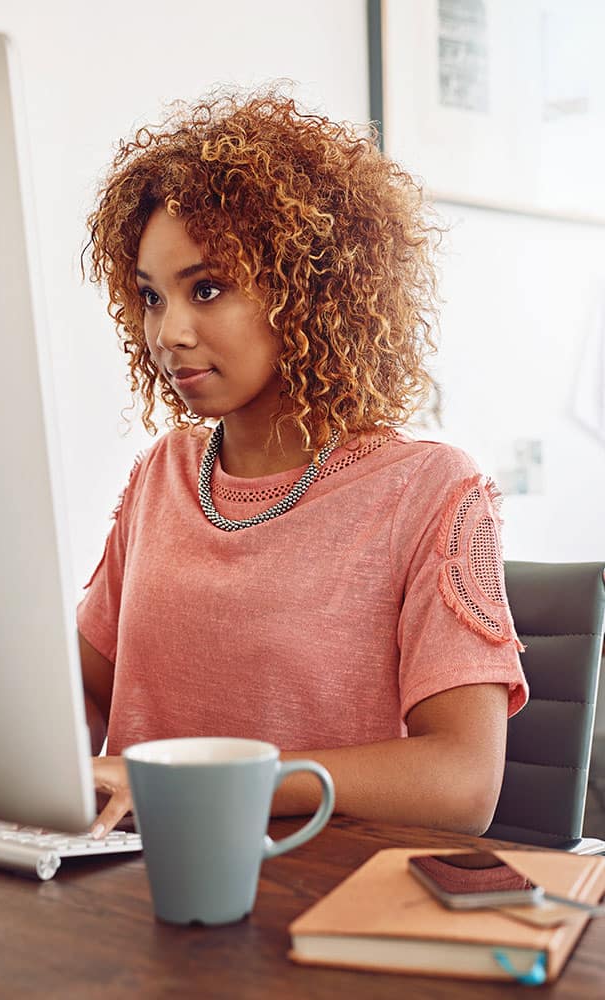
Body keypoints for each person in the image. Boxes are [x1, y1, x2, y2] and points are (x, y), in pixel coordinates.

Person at [77, 89, 528, 840]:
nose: (170, 332)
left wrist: (198, 783)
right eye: (152, 297)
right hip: (128, 883)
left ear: (308, 287)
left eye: (207, 288)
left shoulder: (429, 490)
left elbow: (463, 782)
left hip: (310, 887)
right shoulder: (164, 470)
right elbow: (86, 691)